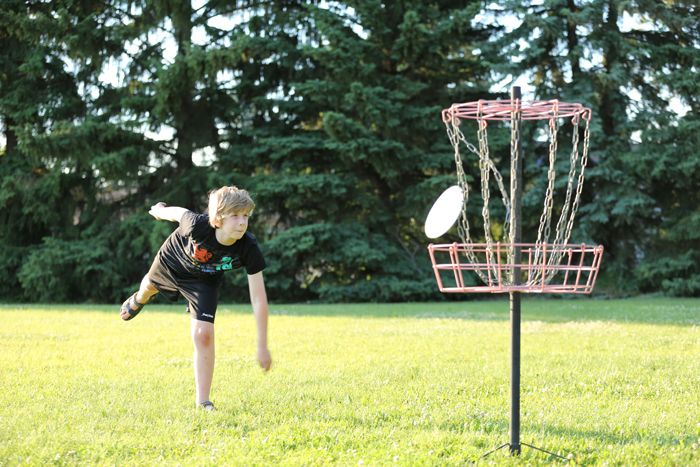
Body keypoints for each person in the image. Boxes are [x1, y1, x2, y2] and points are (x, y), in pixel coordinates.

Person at [119, 186, 272, 411]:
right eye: (235, 216)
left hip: (204, 280)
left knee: (204, 335)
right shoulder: (198, 225)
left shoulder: (248, 247)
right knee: (149, 288)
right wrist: (160, 210)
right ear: (218, 218)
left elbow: (258, 298)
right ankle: (139, 299)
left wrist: (262, 346)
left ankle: (203, 401)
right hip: (172, 262)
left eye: (246, 216)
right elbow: (178, 213)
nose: (242, 222)